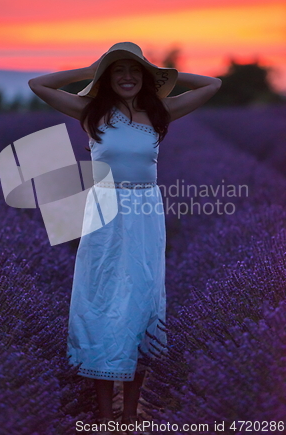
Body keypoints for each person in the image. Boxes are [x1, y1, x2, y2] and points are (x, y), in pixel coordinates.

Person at [28, 42, 222, 434]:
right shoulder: (91, 112)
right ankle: (103, 416)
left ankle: (131, 415)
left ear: (145, 77)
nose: (128, 78)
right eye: (118, 72)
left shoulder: (158, 112)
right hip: (104, 212)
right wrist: (90, 69)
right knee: (100, 301)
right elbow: (38, 84)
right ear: (107, 78)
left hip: (146, 215)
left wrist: (159, 72)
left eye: (134, 72)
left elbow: (212, 84)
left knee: (141, 302)